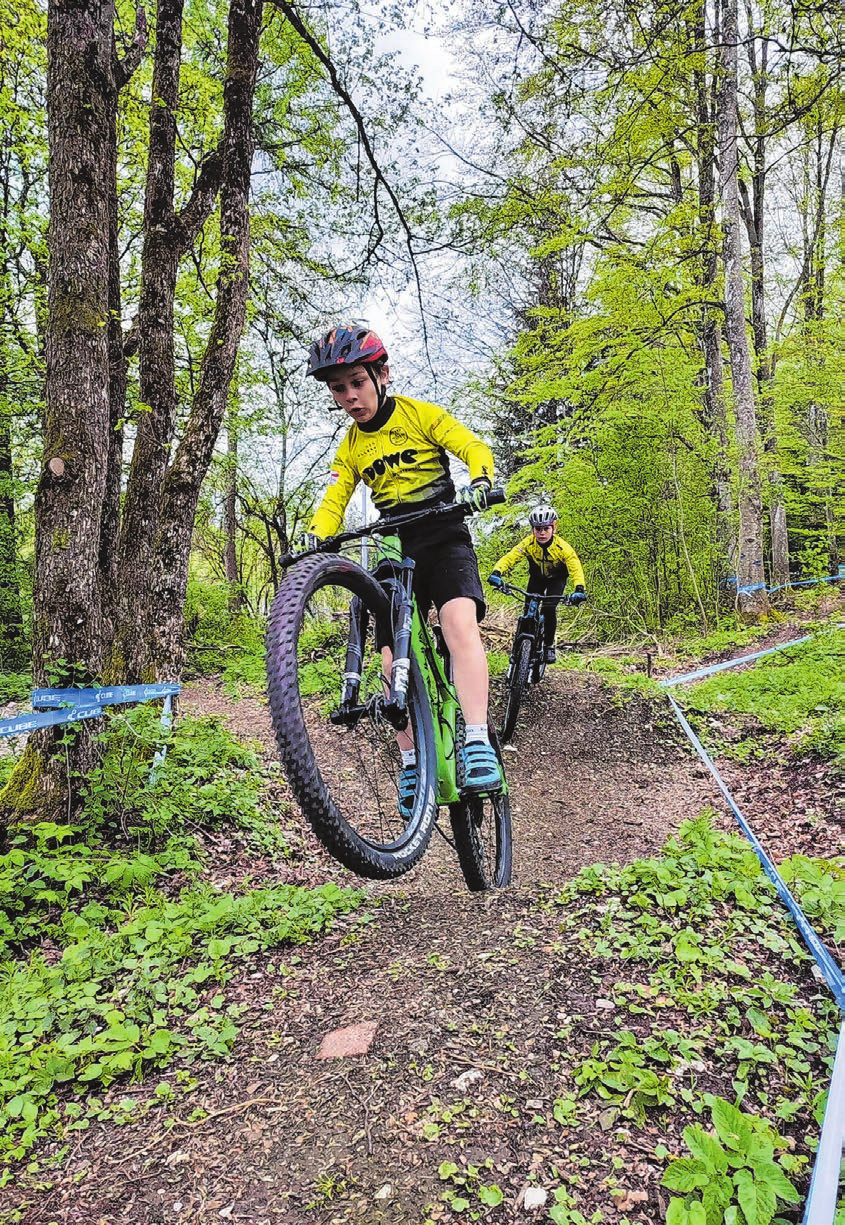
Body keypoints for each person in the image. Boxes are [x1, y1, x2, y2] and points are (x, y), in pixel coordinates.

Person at [305, 323, 502, 799]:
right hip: (395, 546)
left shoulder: (420, 415)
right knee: (392, 655)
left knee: (458, 624)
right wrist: (316, 537)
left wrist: (480, 480)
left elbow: (472, 447)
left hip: (444, 534)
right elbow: (334, 499)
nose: (350, 397)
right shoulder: (351, 446)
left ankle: (477, 741)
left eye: (357, 382)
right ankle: (412, 758)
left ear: (382, 375)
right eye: (338, 388)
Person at [488, 505, 586, 663]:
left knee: (549, 609)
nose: (542, 533)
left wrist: (579, 589)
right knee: (528, 609)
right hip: (537, 578)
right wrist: (497, 572)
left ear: (554, 528)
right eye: (538, 529)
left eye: (546, 528)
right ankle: (518, 649)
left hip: (557, 580)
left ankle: (548, 646)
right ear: (532, 529)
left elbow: (575, 567)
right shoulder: (528, 544)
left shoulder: (563, 548)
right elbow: (511, 557)